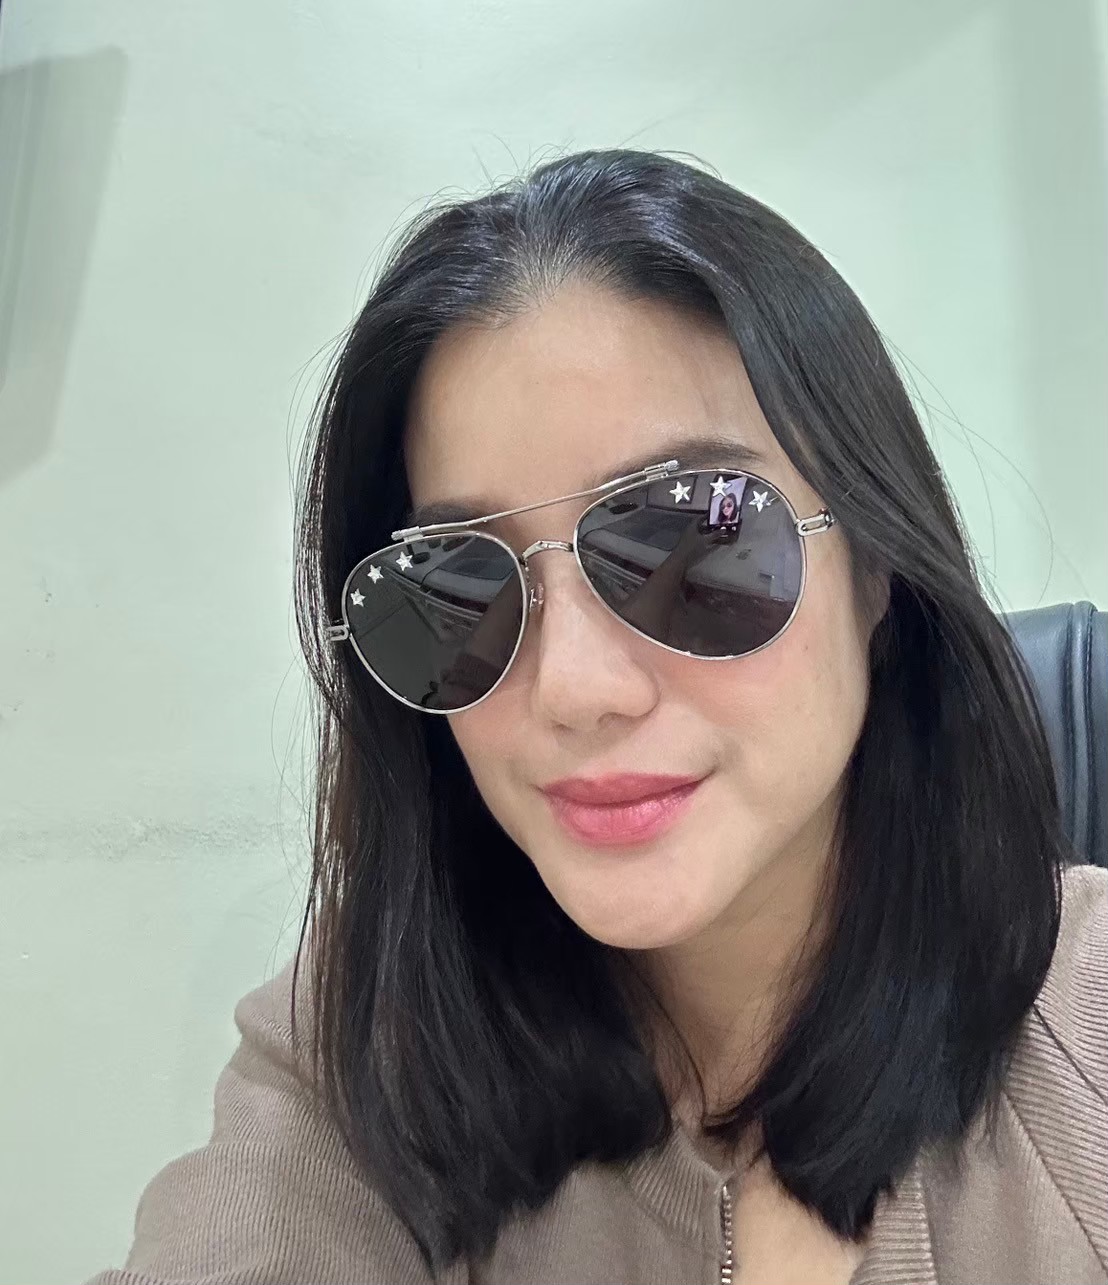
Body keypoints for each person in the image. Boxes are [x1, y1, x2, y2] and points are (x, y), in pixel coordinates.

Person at [87, 150, 1107, 1285]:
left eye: (693, 544)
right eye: (456, 587)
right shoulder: (366, 1052)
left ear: (876, 568)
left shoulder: (1086, 1028)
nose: (572, 687)